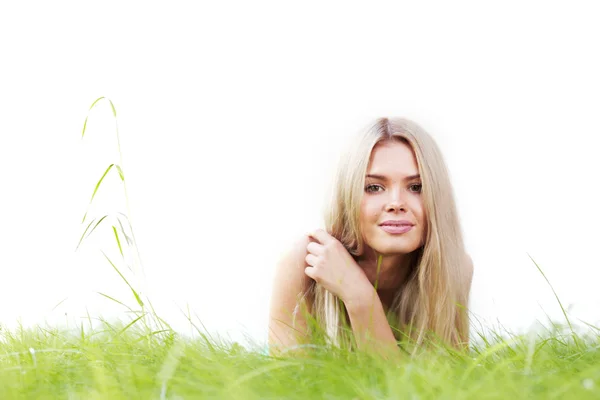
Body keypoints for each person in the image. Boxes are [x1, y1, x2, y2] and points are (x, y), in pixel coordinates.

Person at [268, 117, 474, 357]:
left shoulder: (454, 267)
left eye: (416, 187)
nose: (396, 203)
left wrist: (359, 297)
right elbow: (288, 386)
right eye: (374, 187)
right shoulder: (305, 262)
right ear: (348, 196)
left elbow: (422, 391)